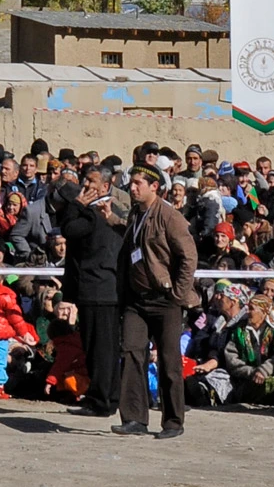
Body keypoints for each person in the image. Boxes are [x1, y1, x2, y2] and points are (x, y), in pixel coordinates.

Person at [114, 162, 198, 440]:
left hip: (165, 300)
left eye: (139, 183)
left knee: (168, 360)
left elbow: (189, 257)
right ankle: (134, 418)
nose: (133, 188)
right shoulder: (135, 215)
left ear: (154, 187)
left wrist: (178, 293)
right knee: (131, 353)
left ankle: (173, 421)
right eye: (131, 183)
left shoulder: (169, 216)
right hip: (136, 300)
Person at [57, 167, 123, 417]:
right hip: (100, 289)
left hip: (100, 289)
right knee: (100, 347)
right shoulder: (100, 212)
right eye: (85, 180)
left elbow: (69, 230)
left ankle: (102, 400)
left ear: (105, 187)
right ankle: (105, 396)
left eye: (92, 181)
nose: (85, 185)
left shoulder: (97, 212)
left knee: (101, 349)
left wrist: (75, 204)